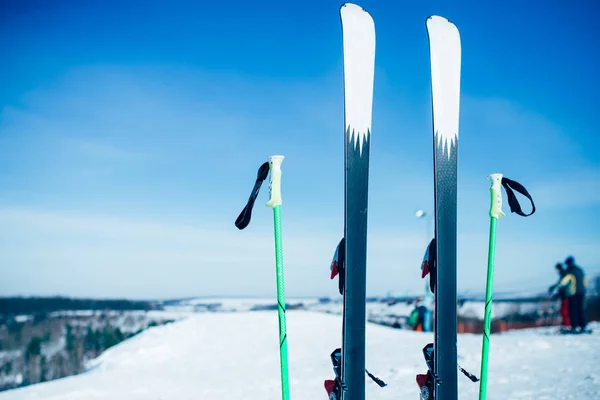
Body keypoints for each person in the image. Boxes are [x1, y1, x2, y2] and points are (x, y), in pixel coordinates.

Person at [556, 256, 588, 332]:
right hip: (582, 293)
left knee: (572, 310)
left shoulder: (569, 271)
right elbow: (585, 282)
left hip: (573, 294)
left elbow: (564, 282)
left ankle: (574, 326)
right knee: (580, 310)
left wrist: (556, 287)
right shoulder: (580, 270)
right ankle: (583, 326)